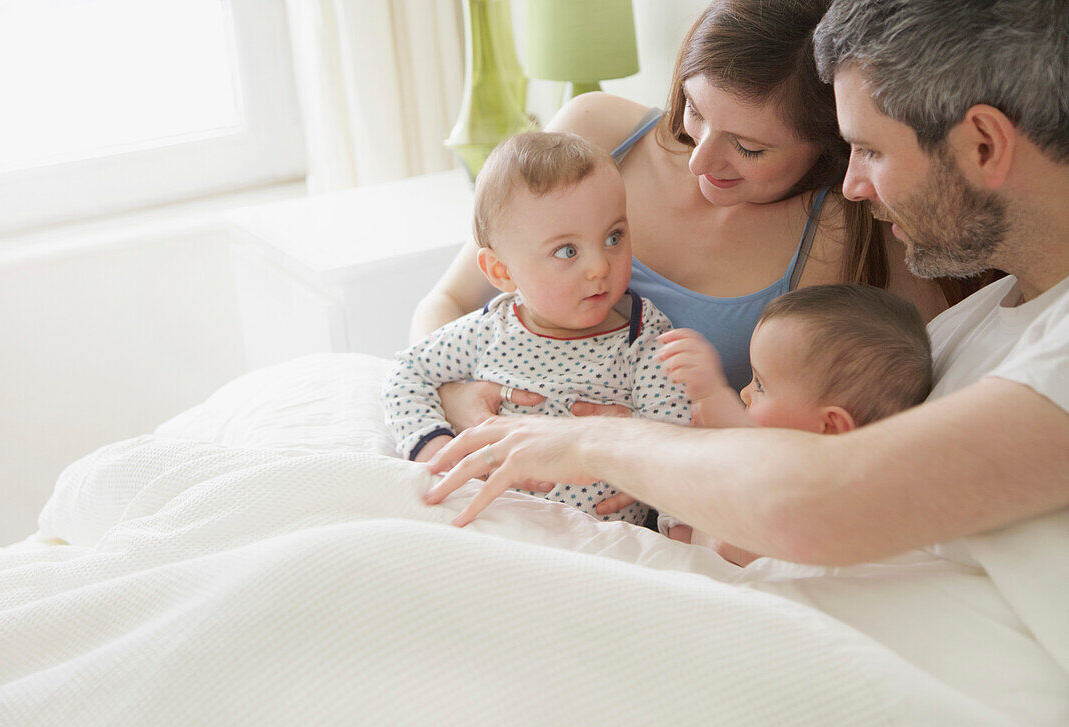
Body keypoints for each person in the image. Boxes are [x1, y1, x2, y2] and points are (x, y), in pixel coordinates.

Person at [422, 0, 1069, 568]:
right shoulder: (982, 317)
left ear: (984, 144)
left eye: (869, 150)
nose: (854, 186)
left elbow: (810, 496)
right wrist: (454, 393)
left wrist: (595, 443)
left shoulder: (881, 266)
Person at [384, 131, 691, 525]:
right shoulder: (489, 330)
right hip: (490, 521)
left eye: (613, 237)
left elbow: (676, 437)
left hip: (604, 542)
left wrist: (674, 522)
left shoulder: (643, 338)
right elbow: (406, 374)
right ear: (502, 271)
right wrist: (437, 451)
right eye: (568, 251)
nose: (600, 266)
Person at [656, 284, 932, 564]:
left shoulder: (831, 498)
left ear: (830, 427)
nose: (744, 393)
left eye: (761, 384)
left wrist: (713, 396)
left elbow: (752, 465)